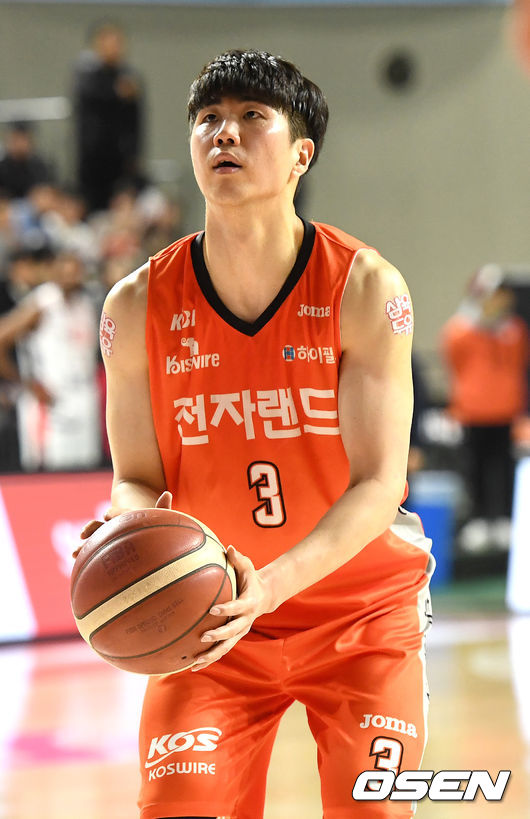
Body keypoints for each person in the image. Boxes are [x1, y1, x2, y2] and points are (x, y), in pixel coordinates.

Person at [80, 50, 434, 819]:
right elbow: (136, 476)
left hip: (359, 615)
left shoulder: (363, 286)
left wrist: (267, 585)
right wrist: (125, 529)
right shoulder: (136, 305)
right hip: (207, 620)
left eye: (250, 117)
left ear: (301, 154)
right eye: (208, 119)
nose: (224, 134)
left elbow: (380, 483)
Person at [441, 266, 529, 551]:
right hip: (472, 415)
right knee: (475, 467)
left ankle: (503, 518)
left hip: (506, 414)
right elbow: (455, 366)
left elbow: (518, 368)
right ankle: (479, 519)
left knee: (504, 467)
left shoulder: (515, 331)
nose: (502, 299)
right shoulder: (459, 330)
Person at [0, 250, 101, 471]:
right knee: (48, 473)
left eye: (75, 272)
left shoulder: (86, 304)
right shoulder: (42, 303)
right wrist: (27, 384)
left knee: (86, 471)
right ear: (54, 272)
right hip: (51, 401)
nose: (70, 277)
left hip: (83, 398)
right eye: (65, 271)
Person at [72, 21, 145, 213]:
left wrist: (134, 155)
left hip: (121, 159)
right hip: (93, 160)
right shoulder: (86, 76)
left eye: (117, 42)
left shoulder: (129, 78)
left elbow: (136, 122)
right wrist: (115, 92)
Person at [0, 121, 55, 201]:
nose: (20, 144)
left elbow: (49, 192)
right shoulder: (2, 168)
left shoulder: (41, 167)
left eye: (23, 139)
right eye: (16, 139)